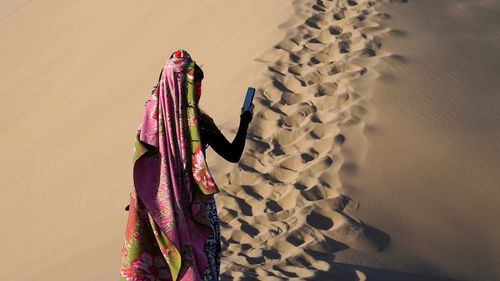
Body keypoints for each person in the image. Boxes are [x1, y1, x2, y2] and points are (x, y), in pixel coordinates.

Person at [119, 49, 253, 281]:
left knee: (163, 263)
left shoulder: (151, 120)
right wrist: (245, 120)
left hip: (158, 208)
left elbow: (143, 165)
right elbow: (232, 154)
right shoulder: (199, 124)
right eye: (195, 86)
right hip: (196, 208)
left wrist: (138, 198)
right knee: (202, 261)